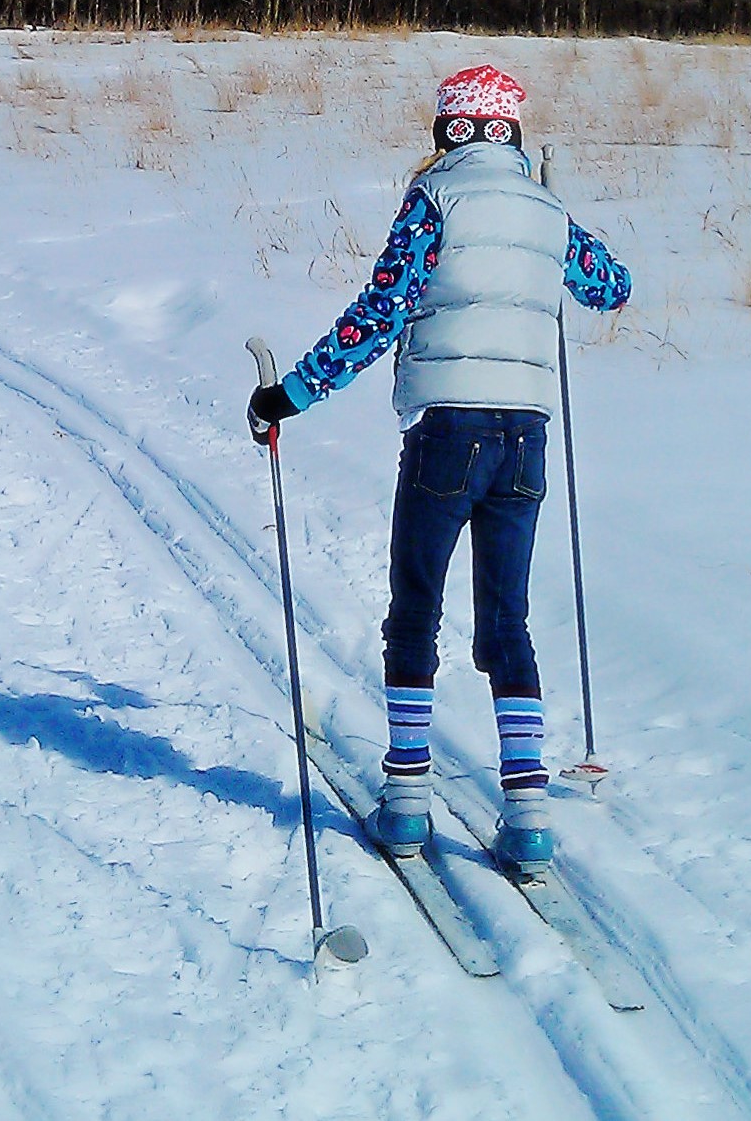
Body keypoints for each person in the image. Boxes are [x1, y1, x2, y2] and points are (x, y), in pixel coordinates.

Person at [247, 65, 631, 875]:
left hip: (446, 431)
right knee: (507, 620)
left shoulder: (435, 202)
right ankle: (527, 816)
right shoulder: (548, 209)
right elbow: (611, 288)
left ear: (448, 132)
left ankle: (409, 803)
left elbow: (379, 311)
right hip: (527, 433)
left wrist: (291, 394)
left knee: (415, 606)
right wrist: (549, 224)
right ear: (513, 134)